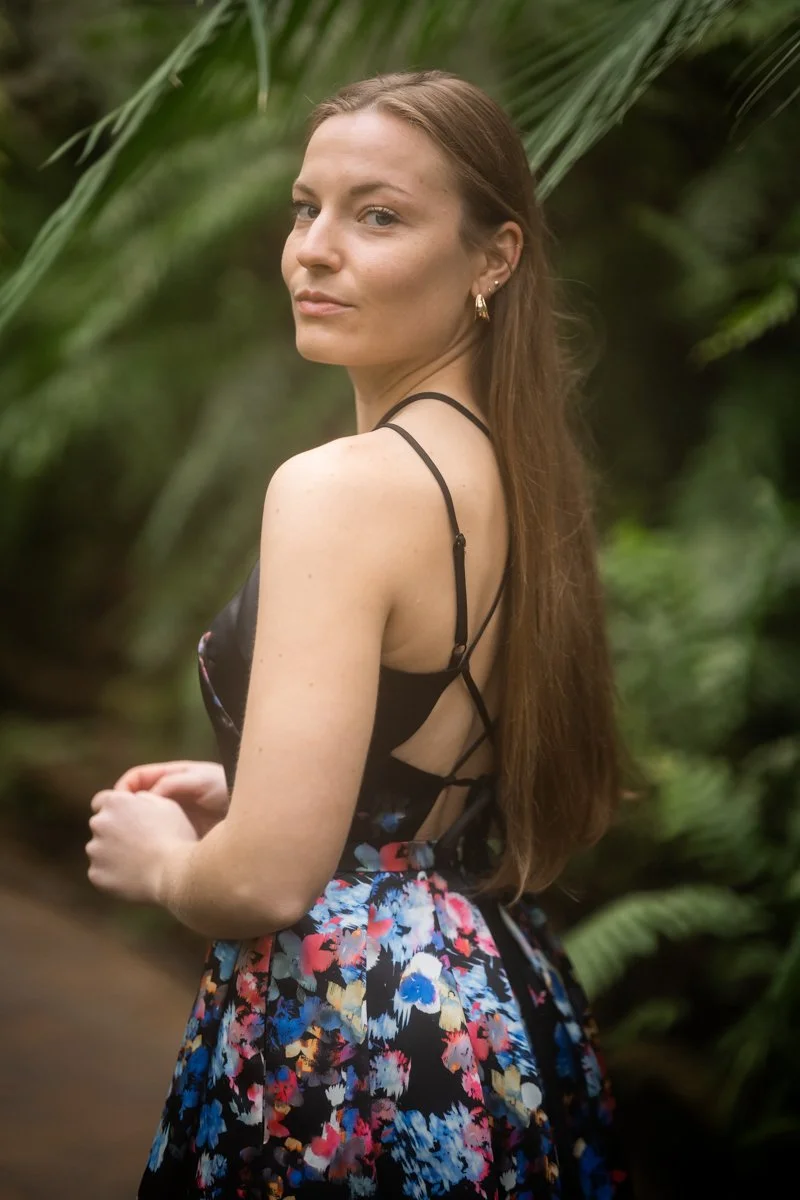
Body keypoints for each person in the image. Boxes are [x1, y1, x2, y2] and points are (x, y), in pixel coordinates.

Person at [86, 70, 631, 1199]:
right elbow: (440, 756)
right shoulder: (518, 469)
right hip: (494, 1009)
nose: (313, 250)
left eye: (376, 215)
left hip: (352, 1038)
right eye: (305, 207)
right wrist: (273, 784)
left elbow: (265, 883)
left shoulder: (341, 488)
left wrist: (167, 863)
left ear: (494, 258)